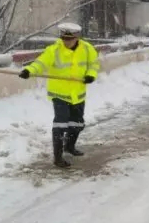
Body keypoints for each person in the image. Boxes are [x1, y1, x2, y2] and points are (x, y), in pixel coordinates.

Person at [19, 23, 99, 167]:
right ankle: (58, 157)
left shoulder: (87, 49)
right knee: (60, 125)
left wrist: (91, 75)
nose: (66, 42)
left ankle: (69, 147)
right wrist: (29, 71)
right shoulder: (53, 50)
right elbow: (41, 63)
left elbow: (93, 65)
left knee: (77, 124)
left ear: (77, 37)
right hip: (59, 94)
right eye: (64, 39)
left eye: (70, 39)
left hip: (78, 93)